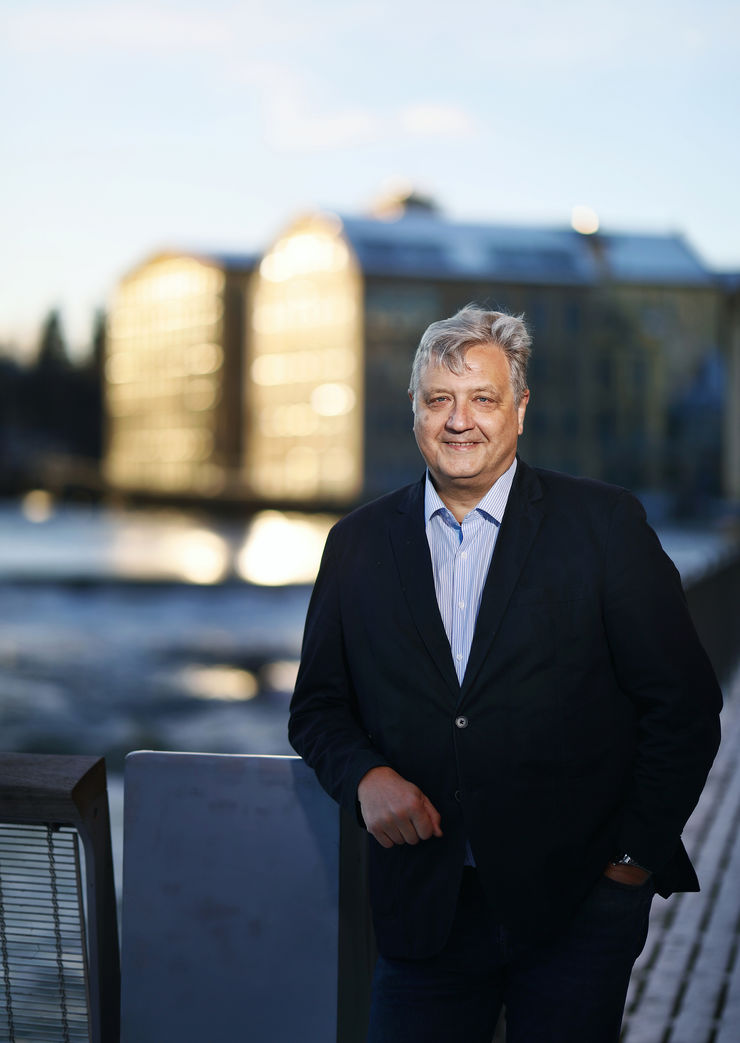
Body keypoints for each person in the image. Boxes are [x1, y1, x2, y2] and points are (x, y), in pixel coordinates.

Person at [288, 305, 722, 1042]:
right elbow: (319, 706)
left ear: (520, 408)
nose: (460, 420)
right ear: (416, 411)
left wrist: (628, 863)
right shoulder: (356, 544)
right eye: (438, 399)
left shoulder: (604, 526)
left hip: (578, 909)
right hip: (423, 907)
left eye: (482, 399)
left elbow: (683, 708)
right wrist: (364, 777)